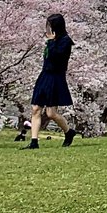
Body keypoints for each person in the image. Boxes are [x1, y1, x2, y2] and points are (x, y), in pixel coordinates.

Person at [24, 13, 77, 150]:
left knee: (51, 113)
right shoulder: (50, 41)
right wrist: (50, 42)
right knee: (36, 109)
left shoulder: (65, 41)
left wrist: (52, 42)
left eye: (50, 25)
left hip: (56, 77)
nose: (47, 28)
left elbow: (57, 58)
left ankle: (68, 132)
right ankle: (34, 141)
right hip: (44, 76)